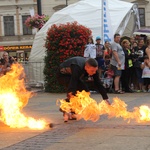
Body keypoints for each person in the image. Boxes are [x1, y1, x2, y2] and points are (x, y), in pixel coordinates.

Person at [57, 56, 110, 122]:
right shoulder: (77, 67)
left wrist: (105, 98)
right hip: (63, 75)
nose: (94, 73)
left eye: (95, 70)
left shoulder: (93, 70)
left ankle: (70, 110)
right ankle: (66, 108)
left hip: (72, 76)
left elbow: (98, 83)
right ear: (86, 67)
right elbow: (73, 81)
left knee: (85, 92)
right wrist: (70, 93)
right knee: (75, 91)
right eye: (92, 71)